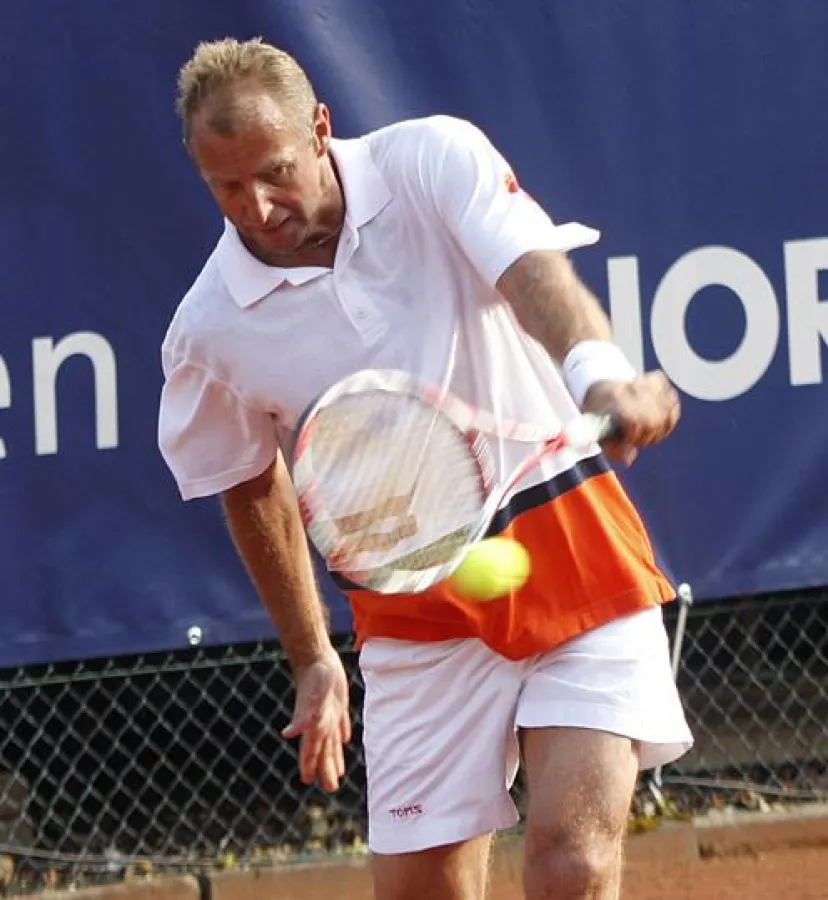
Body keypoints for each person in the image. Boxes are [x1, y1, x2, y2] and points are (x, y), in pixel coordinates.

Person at [158, 36, 692, 900]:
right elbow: (251, 484)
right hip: (414, 617)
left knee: (575, 860)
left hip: (570, 545)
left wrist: (600, 375)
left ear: (322, 128)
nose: (256, 207)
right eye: (226, 186)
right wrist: (311, 657)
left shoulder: (430, 160)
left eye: (276, 172)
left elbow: (529, 270)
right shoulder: (209, 329)